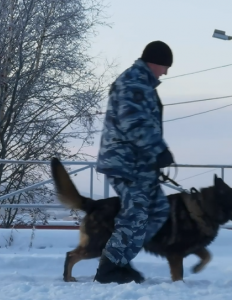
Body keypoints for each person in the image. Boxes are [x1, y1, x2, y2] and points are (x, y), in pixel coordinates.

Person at [94, 41, 176, 284]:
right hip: (126, 164)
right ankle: (109, 269)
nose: (166, 72)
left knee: (158, 211)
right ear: (155, 62)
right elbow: (134, 123)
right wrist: (159, 151)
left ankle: (120, 260)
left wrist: (154, 157)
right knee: (136, 215)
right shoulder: (134, 82)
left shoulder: (143, 83)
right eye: (165, 67)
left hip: (141, 164)